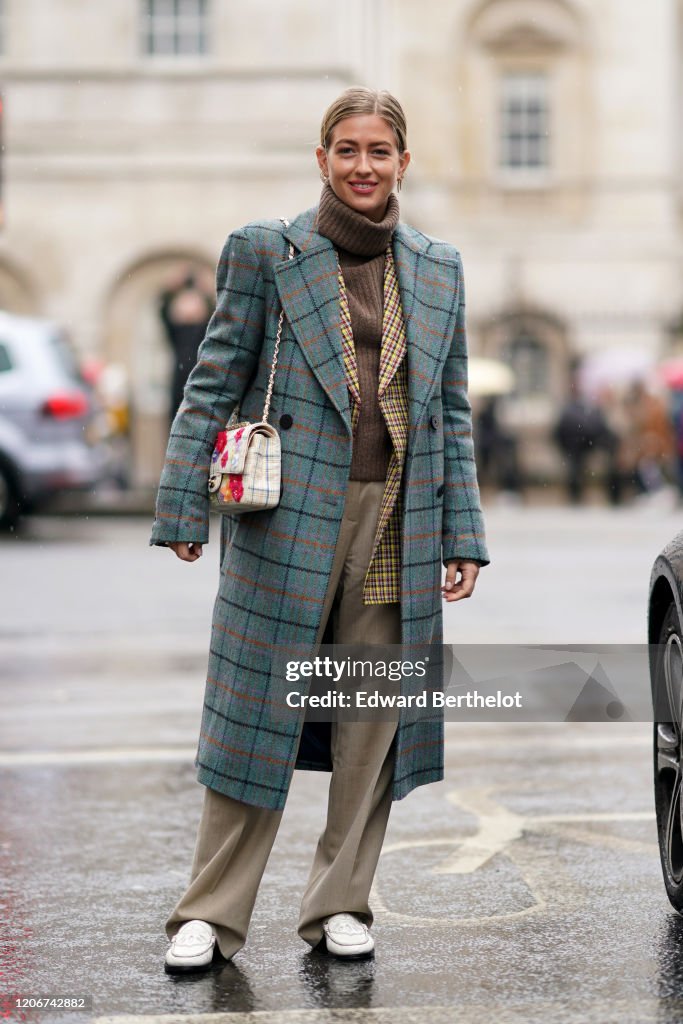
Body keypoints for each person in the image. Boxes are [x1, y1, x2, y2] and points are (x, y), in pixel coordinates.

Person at [149, 86, 490, 973]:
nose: (363, 166)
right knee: (253, 710)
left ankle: (341, 903)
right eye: (346, 149)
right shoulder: (267, 251)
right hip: (284, 517)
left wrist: (463, 531)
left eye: (379, 151)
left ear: (403, 162)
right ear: (322, 158)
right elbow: (213, 380)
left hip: (398, 519)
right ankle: (208, 916)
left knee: (370, 718)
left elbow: (450, 414)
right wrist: (183, 499)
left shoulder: (439, 266)